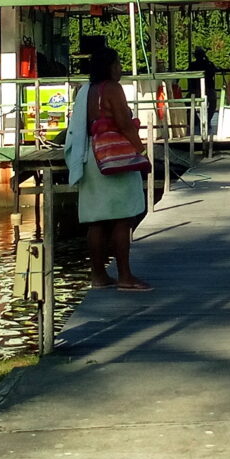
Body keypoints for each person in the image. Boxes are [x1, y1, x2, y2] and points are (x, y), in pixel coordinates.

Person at [65, 44, 151, 290]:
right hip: (114, 156)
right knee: (123, 218)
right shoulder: (112, 88)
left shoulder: (86, 91)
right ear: (110, 66)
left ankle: (98, 274)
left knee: (97, 220)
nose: (120, 68)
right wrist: (141, 151)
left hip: (90, 155)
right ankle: (125, 275)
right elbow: (124, 123)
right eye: (118, 63)